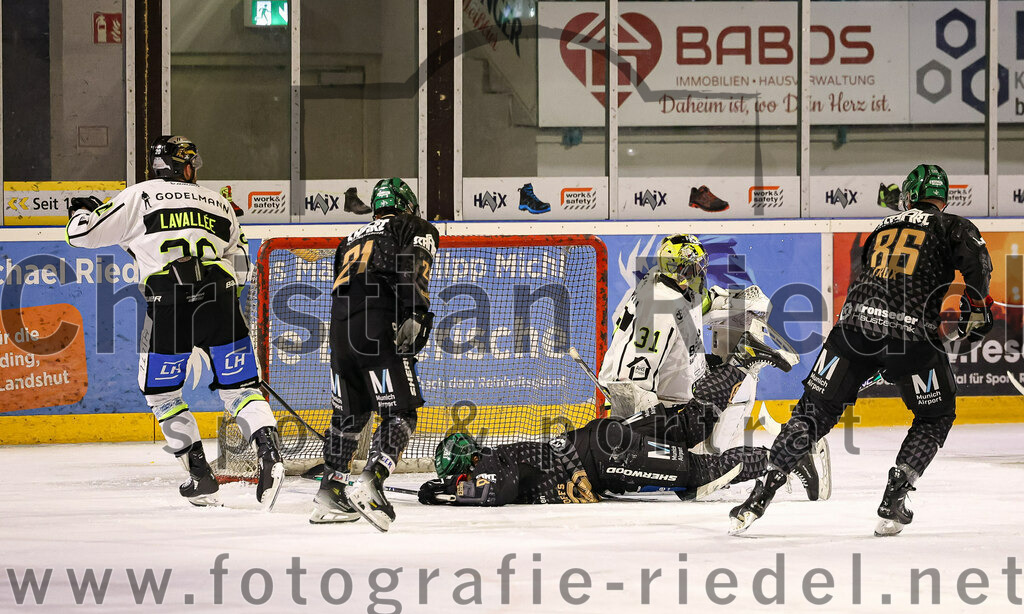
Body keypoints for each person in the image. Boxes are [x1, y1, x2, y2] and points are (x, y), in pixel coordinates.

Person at [729, 164, 994, 537]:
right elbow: (979, 265)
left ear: (909, 194)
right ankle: (896, 494)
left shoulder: (882, 227)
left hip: (852, 331)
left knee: (813, 413)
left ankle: (760, 494)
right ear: (943, 197)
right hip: (910, 338)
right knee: (936, 416)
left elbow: (869, 277)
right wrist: (978, 307)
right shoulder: (951, 225)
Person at [65, 135, 284, 510]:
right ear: (183, 165)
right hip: (220, 295)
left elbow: (81, 235)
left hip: (169, 300)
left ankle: (200, 476)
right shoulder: (218, 201)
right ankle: (269, 455)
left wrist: (81, 214)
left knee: (162, 394)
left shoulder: (140, 195)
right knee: (241, 387)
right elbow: (243, 267)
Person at [419, 341, 830, 506]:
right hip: (604, 438)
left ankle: (787, 458)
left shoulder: (487, 468)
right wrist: (446, 487)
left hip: (609, 456)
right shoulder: (491, 458)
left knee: (699, 475)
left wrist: (445, 493)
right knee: (689, 427)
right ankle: (741, 359)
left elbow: (497, 491)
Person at [310, 177, 440, 531]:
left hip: (339, 328)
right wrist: (416, 312)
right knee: (402, 412)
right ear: (407, 203)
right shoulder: (413, 225)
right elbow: (414, 266)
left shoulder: (349, 238)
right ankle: (371, 480)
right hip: (377, 321)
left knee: (349, 417)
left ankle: (330, 492)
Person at [599, 233, 794, 452]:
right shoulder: (657, 310)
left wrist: (740, 300)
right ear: (677, 268)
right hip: (653, 409)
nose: (700, 271)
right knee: (739, 374)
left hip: (672, 381)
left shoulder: (669, 284)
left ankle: (714, 453)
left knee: (731, 373)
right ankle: (712, 456)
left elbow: (702, 304)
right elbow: (629, 384)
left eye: (700, 266)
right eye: (694, 266)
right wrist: (646, 439)